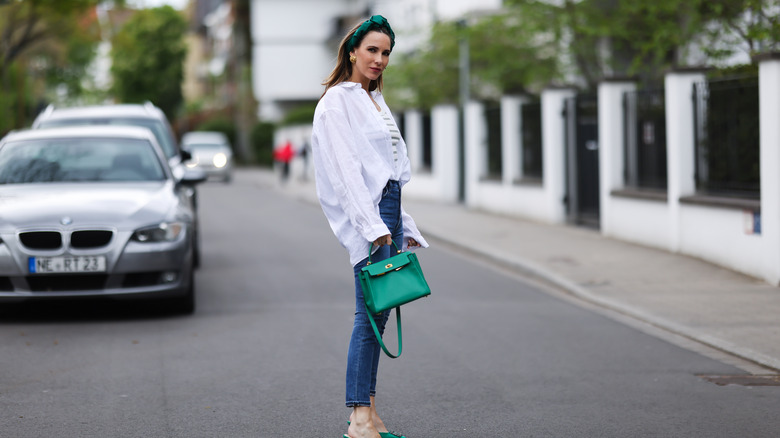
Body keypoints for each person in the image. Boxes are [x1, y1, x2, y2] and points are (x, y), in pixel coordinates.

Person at [310, 15, 428, 438]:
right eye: (373, 50)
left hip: (388, 212)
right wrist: (371, 225)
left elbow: (389, 169)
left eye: (386, 53)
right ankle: (358, 419)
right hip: (372, 215)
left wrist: (402, 224)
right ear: (353, 50)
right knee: (368, 316)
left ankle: (371, 414)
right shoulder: (336, 103)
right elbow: (344, 172)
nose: (379, 59)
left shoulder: (374, 100)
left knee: (380, 314)